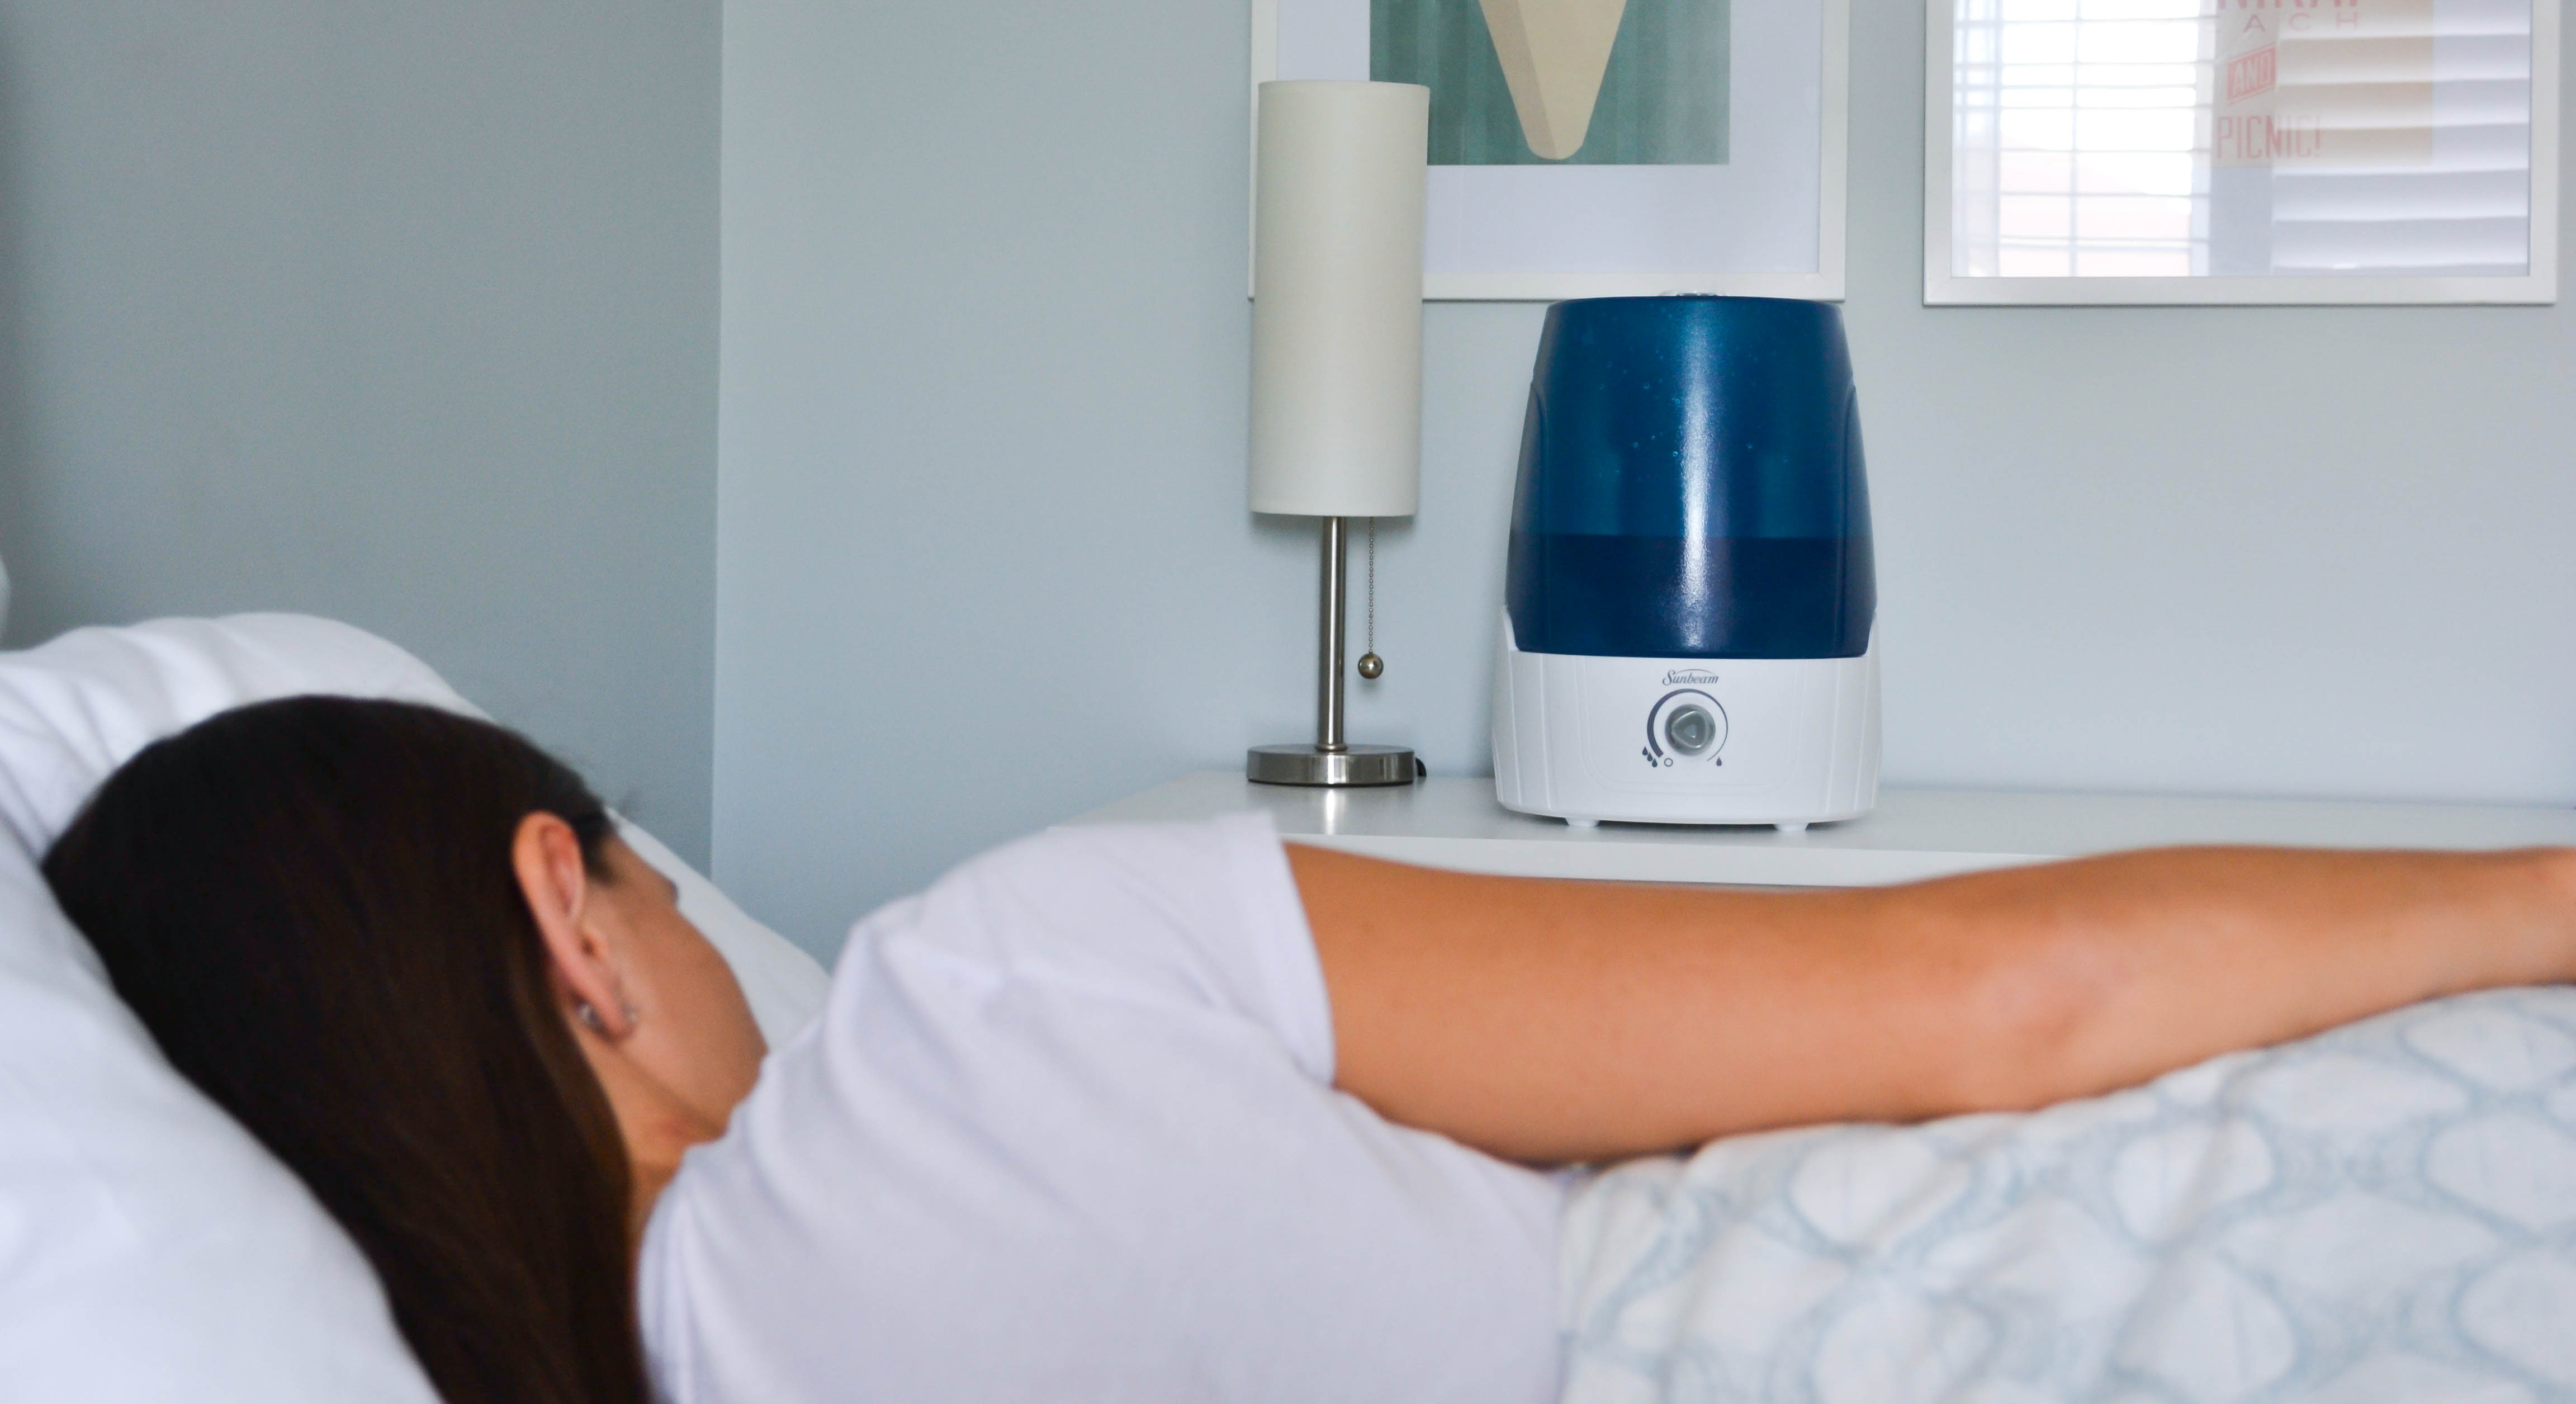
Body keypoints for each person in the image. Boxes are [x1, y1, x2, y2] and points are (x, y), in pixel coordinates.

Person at [42, 697, 2576, 1404]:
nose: (697, 917)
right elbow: (1990, 999)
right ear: (564, 929)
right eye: (647, 865)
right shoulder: (974, 999)